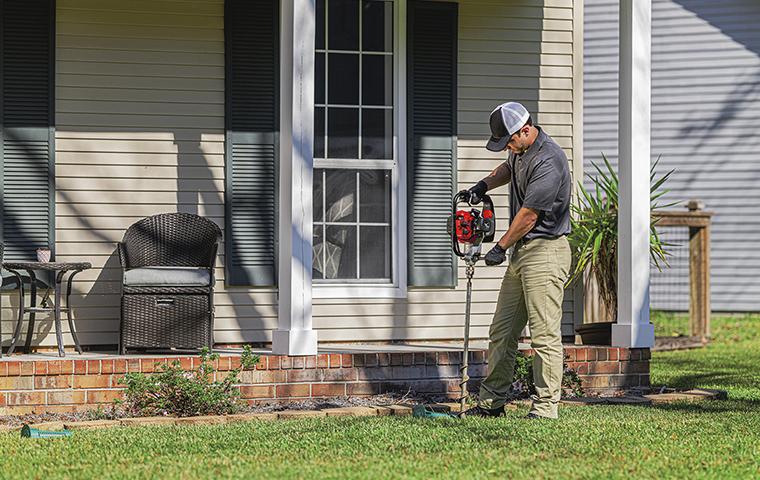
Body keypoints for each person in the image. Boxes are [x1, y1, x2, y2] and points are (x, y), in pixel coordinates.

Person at [462, 102, 572, 420]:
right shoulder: (520, 152)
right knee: (502, 331)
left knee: (544, 335)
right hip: (522, 253)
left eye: (509, 141)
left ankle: (545, 408)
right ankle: (492, 403)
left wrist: (499, 246)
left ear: (525, 130)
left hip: (546, 252)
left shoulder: (549, 159)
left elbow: (529, 215)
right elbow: (507, 170)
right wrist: (482, 186)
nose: (507, 148)